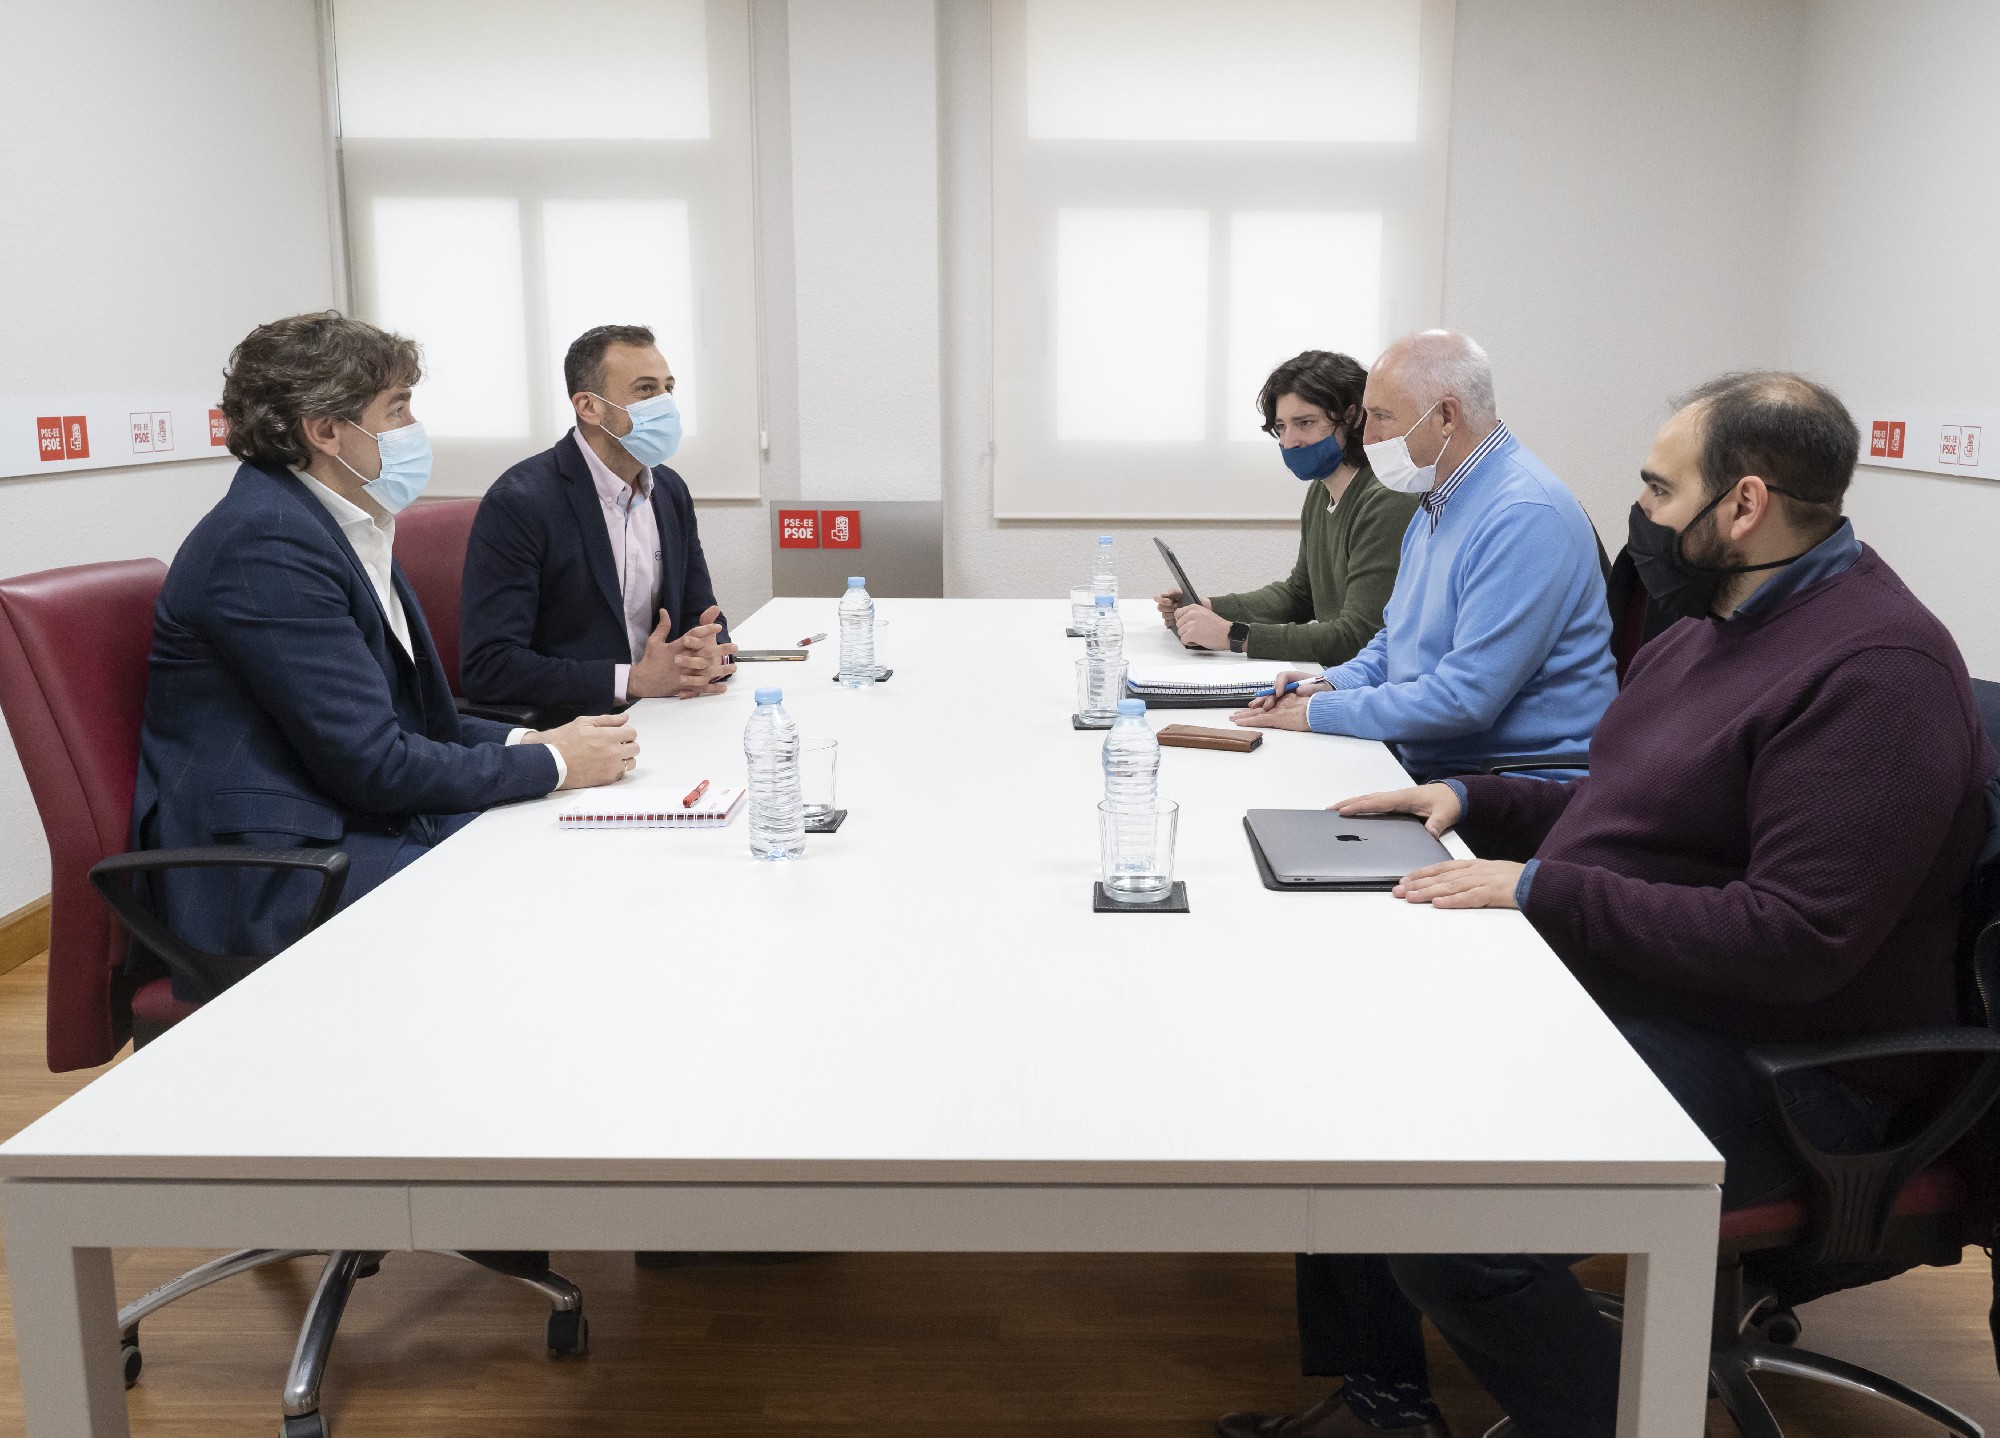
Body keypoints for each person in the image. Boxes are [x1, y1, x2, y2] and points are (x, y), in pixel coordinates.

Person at [1221, 373, 1997, 1437]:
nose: (1638, 514)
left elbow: (1795, 938)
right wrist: (1473, 799)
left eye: (1659, 489)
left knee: (1451, 1221)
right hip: (1652, 991)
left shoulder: (1876, 672)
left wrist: (1541, 887)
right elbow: (1635, 803)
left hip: (1793, 1065)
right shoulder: (1713, 624)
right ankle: (1384, 1398)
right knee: (1365, 1075)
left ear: (1744, 503)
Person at [131, 313, 637, 995]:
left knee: (571, 852)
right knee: (530, 906)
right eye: (396, 409)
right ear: (325, 430)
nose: (413, 427)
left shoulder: (339, 522)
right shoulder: (266, 543)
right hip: (278, 869)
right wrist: (555, 763)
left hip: (345, 821)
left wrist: (537, 741)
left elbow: (411, 720)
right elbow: (376, 763)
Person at [1231, 331, 1616, 781]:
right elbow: (1397, 640)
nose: (1368, 437)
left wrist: (1319, 712)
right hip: (1438, 761)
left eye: (1381, 417)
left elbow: (1464, 699)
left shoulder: (1522, 515)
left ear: (1446, 416)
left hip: (1510, 780)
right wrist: (1330, 684)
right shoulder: (1438, 500)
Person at [460, 324, 735, 724]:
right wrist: (632, 681)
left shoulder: (670, 491)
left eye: (668, 389)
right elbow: (489, 666)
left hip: (667, 714)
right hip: (574, 729)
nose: (664, 404)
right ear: (589, 406)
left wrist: (710, 652)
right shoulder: (520, 502)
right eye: (645, 390)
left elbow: (704, 615)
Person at [1154, 351, 1418, 664]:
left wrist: (1234, 636)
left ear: (1352, 417)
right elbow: (1301, 594)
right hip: (1337, 676)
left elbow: (1358, 636)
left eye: (1305, 423)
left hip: (1371, 682)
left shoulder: (1387, 499)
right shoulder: (1321, 491)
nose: (1289, 441)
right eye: (1281, 426)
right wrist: (1209, 608)